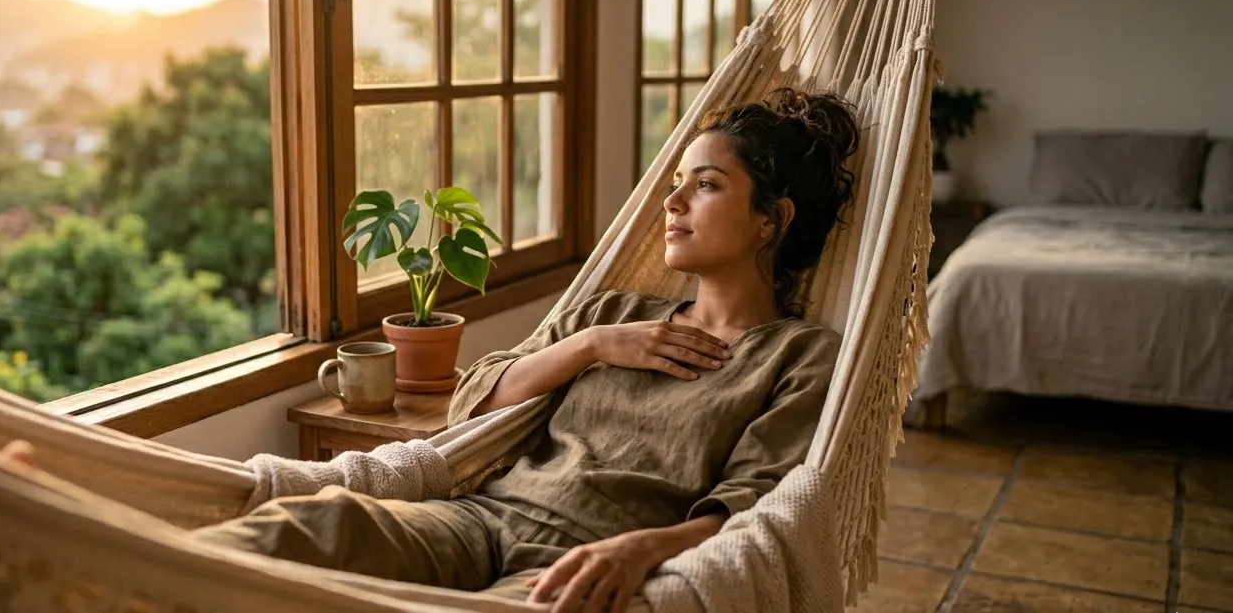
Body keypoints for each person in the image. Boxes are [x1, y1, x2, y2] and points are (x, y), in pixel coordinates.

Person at [185, 87, 861, 613]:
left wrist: (639, 550)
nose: (673, 200)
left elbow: (758, 506)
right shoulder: (613, 311)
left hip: (577, 562)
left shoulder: (797, 357)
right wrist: (594, 344)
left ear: (773, 219)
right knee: (310, 524)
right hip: (478, 521)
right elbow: (475, 400)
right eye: (676, 181)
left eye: (706, 185)